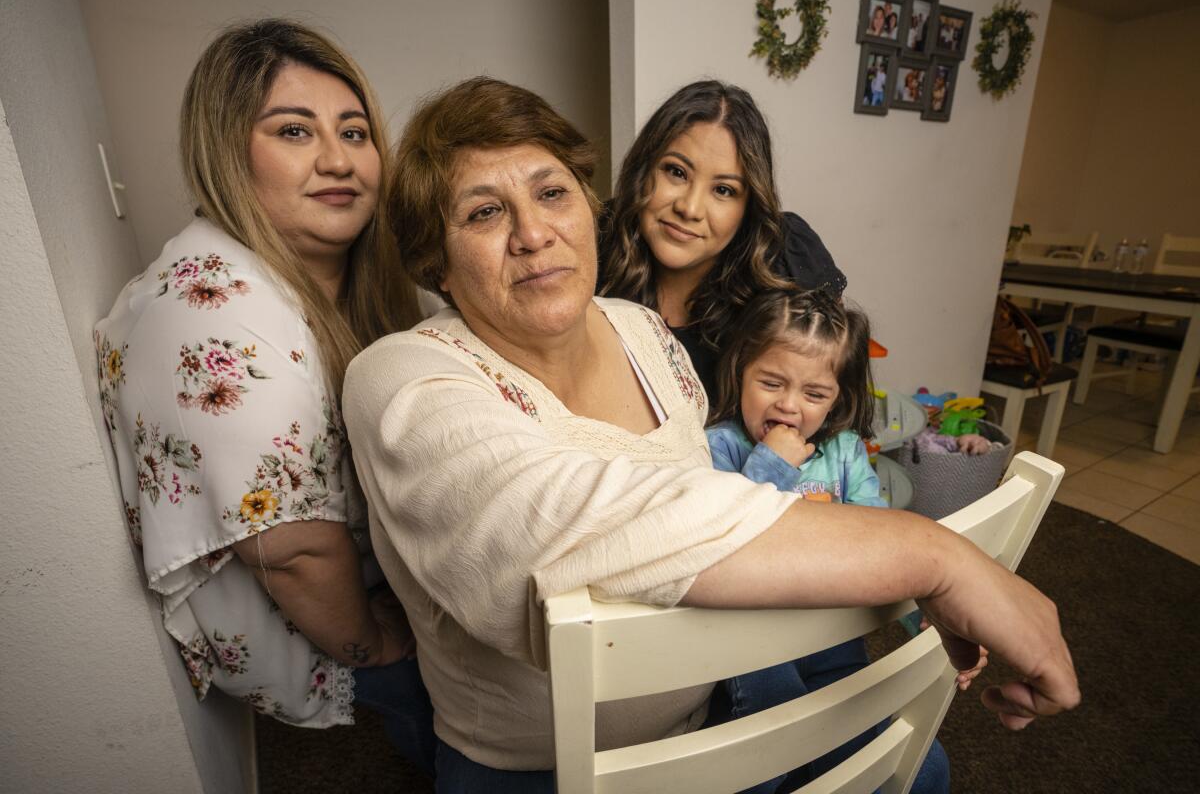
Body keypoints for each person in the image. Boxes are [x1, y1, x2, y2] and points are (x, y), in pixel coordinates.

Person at [343, 76, 1079, 792]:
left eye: (551, 192)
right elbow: (560, 527)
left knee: (919, 769)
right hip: (547, 766)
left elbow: (709, 494)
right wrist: (936, 557)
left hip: (720, 692)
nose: (534, 233)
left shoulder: (639, 329)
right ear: (433, 259)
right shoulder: (401, 377)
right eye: (483, 213)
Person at [94, 18, 434, 773]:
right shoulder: (216, 313)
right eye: (294, 131)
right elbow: (293, 552)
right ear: (227, 148)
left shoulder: (294, 278)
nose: (338, 159)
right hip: (331, 672)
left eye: (354, 131)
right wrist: (377, 647)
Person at [705, 290, 986, 793]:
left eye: (814, 394)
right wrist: (770, 464)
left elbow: (882, 544)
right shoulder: (719, 445)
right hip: (753, 651)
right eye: (770, 382)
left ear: (838, 397)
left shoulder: (844, 451)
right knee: (773, 745)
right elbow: (723, 537)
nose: (788, 406)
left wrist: (926, 614)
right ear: (739, 372)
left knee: (925, 769)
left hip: (834, 644)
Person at [599, 79, 847, 396]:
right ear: (644, 169)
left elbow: (829, 402)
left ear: (748, 207)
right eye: (676, 172)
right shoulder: (593, 240)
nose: (689, 208)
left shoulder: (789, 259)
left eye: (723, 190)